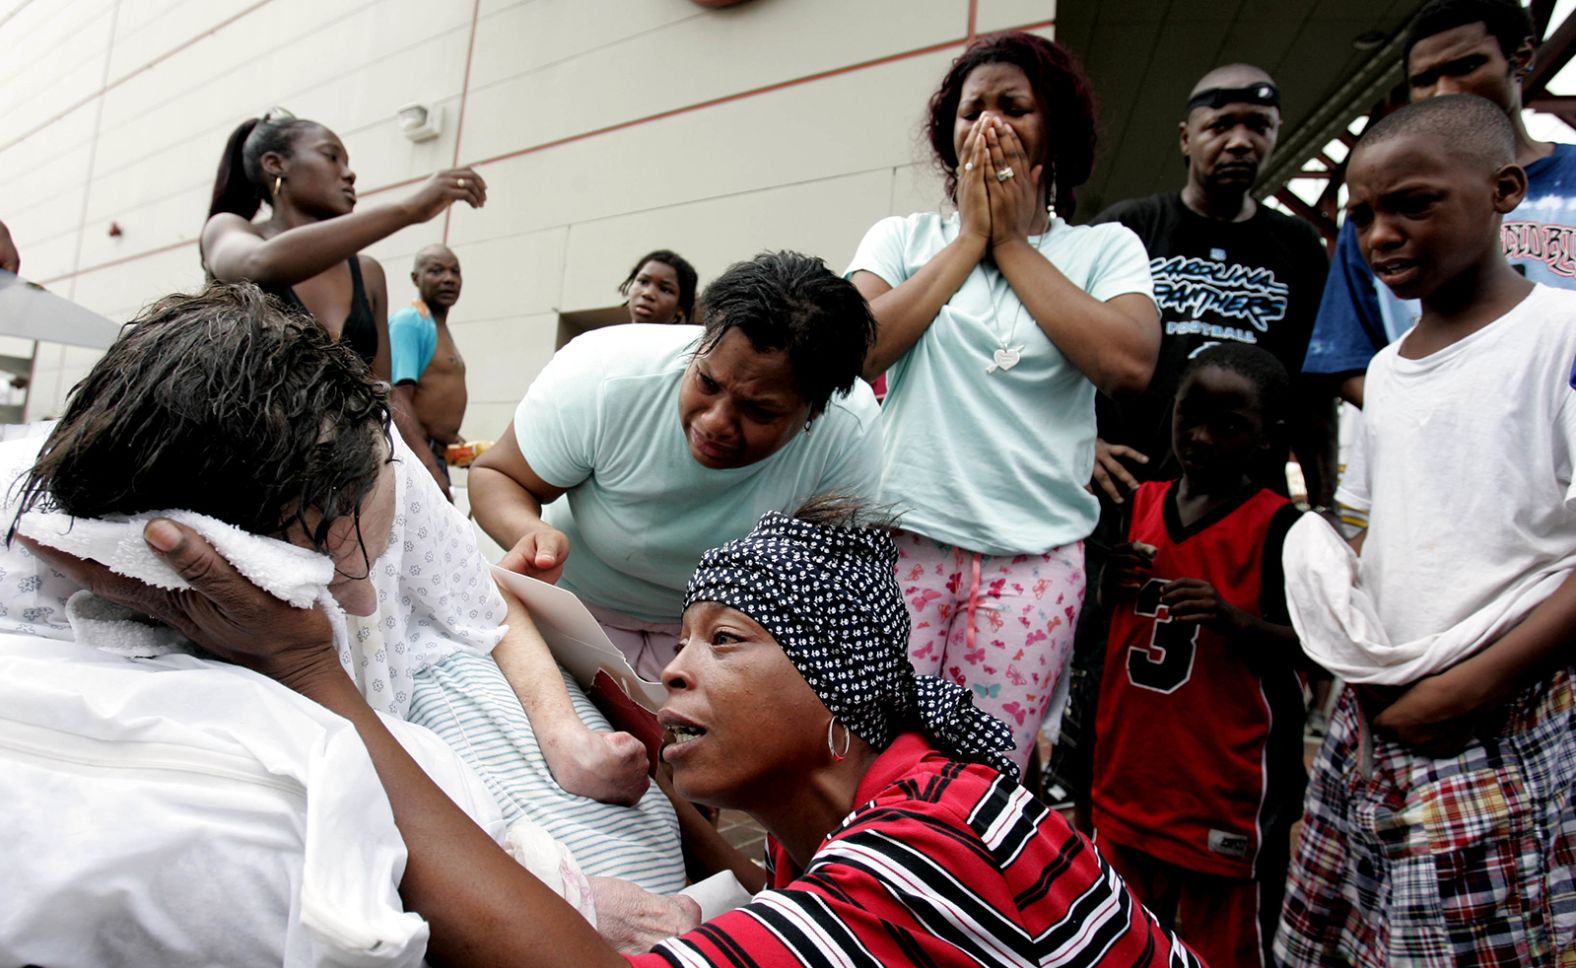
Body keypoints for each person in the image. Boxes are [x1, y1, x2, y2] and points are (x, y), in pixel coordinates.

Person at [44, 497, 1291, 968]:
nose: (677, 672)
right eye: (677, 643)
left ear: (842, 700)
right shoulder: (890, 812)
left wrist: (316, 681)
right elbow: (780, 899)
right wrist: (618, 716)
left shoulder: (930, 853)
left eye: (725, 644)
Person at [0, 283, 694, 968]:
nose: (367, 605)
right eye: (335, 563)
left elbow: (486, 610)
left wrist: (567, 742)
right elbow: (342, 914)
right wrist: (562, 897)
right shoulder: (109, 668)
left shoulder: (368, 451)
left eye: (380, 552)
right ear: (206, 559)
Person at [1274, 96, 1576, 968]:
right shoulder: (1392, 371)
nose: (1380, 234)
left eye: (1411, 204)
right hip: (1393, 715)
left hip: (1506, 713)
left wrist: (1471, 686)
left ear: (1504, 192)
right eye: (1362, 215)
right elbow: (1389, 530)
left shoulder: (1558, 339)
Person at [846, 31, 1160, 771]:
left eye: (1013, 107)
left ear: (1054, 131)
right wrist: (969, 243)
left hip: (1033, 564)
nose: (988, 125)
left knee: (984, 774)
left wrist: (1012, 245)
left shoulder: (1103, 250)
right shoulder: (902, 238)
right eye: (971, 110)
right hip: (905, 546)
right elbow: (855, 350)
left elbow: (1128, 362)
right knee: (873, 757)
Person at [469, 250, 882, 680]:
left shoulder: (849, 432)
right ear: (701, 341)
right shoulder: (606, 374)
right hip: (569, 608)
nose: (715, 422)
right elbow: (498, 474)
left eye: (760, 410)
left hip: (713, 641)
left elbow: (829, 584)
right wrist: (529, 532)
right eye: (707, 382)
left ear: (815, 410)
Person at [1090, 344, 1306, 968]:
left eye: (1228, 424)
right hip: (1128, 783)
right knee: (1121, 960)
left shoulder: (1280, 530)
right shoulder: (1137, 505)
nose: (1201, 437)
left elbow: (1321, 651)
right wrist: (1106, 582)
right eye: (1190, 416)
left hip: (1222, 795)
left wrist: (1233, 620)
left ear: (1267, 437)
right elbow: (1098, 637)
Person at [1304, 0, 1576, 407]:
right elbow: (1346, 359)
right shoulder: (1376, 218)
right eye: (1424, 80)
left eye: (1466, 67)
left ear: (1520, 58)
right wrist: (1436, 416)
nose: (1444, 92)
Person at [202, 109, 488, 496]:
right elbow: (259, 265)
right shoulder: (231, 231)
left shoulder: (367, 272)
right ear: (275, 165)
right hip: (246, 470)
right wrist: (409, 210)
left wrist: (425, 466)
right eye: (332, 156)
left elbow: (381, 391)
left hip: (336, 483)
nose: (349, 173)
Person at [1091, 64, 1332, 508]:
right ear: (1186, 137)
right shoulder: (1129, 228)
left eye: (1258, 125)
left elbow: (1314, 393)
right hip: (1129, 500)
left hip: (1249, 514)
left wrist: (1324, 506)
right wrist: (1079, 443)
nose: (1240, 142)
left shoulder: (1299, 245)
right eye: (1220, 126)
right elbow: (1056, 344)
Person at [389, 244, 468, 486]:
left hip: (435, 456)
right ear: (416, 278)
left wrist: (465, 452)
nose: (449, 279)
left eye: (455, 272)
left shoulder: (438, 327)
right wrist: (430, 467)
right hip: (414, 459)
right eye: (436, 271)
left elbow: (433, 414)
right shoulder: (411, 322)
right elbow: (395, 399)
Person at [619, 249, 697, 325]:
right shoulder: (610, 335)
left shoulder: (687, 337)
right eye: (643, 282)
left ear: (681, 308)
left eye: (665, 290)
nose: (648, 293)